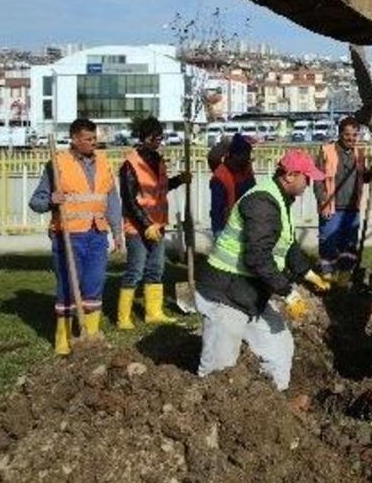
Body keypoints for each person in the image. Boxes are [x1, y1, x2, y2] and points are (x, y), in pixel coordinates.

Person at [196, 149, 333, 391]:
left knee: (280, 348)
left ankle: (270, 405)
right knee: (218, 370)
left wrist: (309, 274)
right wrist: (288, 292)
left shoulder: (279, 200)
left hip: (249, 294)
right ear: (290, 175)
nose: (309, 184)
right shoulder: (262, 203)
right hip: (224, 295)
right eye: (306, 178)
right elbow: (257, 257)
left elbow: (286, 245)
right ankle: (207, 415)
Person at [28, 118, 123, 355]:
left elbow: (111, 200)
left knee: (95, 283)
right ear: (74, 139)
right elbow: (36, 202)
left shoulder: (103, 163)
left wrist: (117, 231)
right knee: (68, 287)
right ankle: (63, 337)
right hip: (69, 236)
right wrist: (51, 200)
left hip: (97, 234)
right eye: (88, 139)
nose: (93, 143)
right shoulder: (58, 164)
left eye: (95, 138)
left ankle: (90, 334)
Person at [116, 116, 191, 329]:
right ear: (145, 138)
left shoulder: (158, 161)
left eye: (161, 137)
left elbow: (160, 189)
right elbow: (130, 201)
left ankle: (154, 312)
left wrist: (179, 180)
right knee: (135, 270)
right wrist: (145, 224)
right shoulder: (130, 165)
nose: (159, 141)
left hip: (157, 225)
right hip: (138, 228)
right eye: (156, 138)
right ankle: (123, 317)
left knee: (156, 269)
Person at [314, 117, 372, 285]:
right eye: (348, 135)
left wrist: (370, 173)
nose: (351, 139)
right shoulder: (326, 151)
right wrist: (322, 201)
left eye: (355, 135)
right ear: (340, 134)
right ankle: (327, 277)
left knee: (349, 244)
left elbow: (361, 178)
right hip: (331, 207)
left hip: (351, 208)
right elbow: (318, 179)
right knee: (328, 242)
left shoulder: (359, 154)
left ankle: (344, 278)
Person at [209, 132, 254, 237]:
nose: (247, 159)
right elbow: (217, 209)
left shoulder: (246, 170)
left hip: (246, 225)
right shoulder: (220, 175)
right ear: (234, 155)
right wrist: (218, 232)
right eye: (245, 155)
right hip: (227, 228)